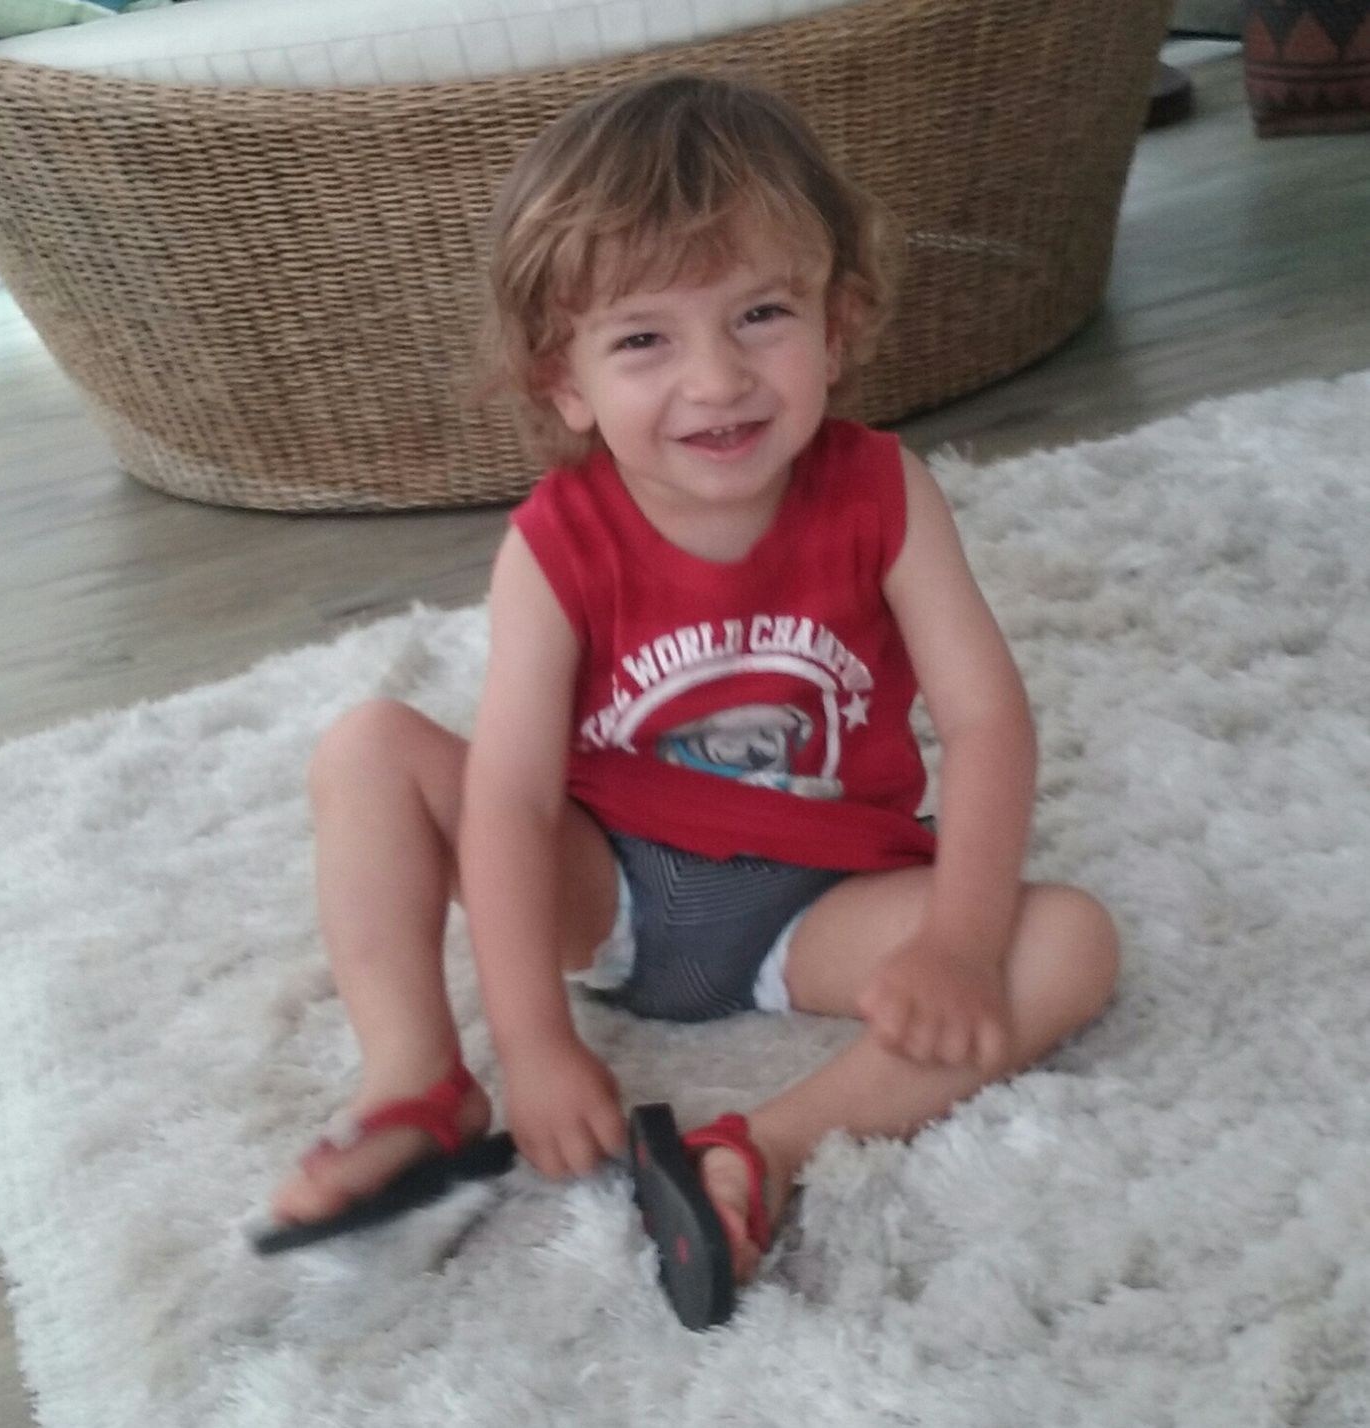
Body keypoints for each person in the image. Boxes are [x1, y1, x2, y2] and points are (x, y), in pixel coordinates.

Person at [264, 72, 1119, 1323]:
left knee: (1069, 942)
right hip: (604, 885)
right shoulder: (555, 545)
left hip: (823, 901)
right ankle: (417, 1082)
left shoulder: (885, 492)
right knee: (367, 749)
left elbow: (987, 722)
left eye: (761, 314)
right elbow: (508, 800)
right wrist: (536, 1042)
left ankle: (758, 1149)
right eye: (643, 340)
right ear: (564, 380)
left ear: (837, 324)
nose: (716, 380)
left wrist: (959, 941)